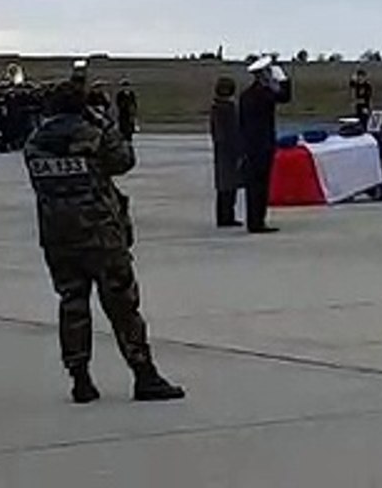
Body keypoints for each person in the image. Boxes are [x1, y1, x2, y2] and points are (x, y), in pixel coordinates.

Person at [24, 80, 184, 404]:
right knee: (123, 306)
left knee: (72, 304)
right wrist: (106, 122)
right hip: (100, 234)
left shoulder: (35, 142)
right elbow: (124, 161)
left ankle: (80, 378)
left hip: (57, 235)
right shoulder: (93, 133)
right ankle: (144, 373)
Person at [238, 56, 292, 234]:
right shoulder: (264, 94)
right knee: (260, 185)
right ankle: (257, 222)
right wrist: (283, 79)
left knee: (253, 185)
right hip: (262, 145)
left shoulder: (246, 95)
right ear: (263, 75)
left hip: (249, 145)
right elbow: (285, 97)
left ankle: (254, 220)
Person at [209, 76, 243, 228]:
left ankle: (225, 215)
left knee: (225, 184)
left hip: (222, 149)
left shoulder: (217, 107)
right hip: (228, 150)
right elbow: (233, 131)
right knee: (228, 184)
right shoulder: (227, 108)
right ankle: (226, 216)